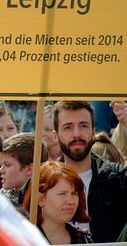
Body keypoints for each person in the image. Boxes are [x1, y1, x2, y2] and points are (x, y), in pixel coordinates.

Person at [52, 101, 127, 242]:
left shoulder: (117, 178)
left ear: (93, 132)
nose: (77, 134)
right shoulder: (42, 183)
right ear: (55, 135)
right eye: (68, 127)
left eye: (83, 126)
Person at [22, 162, 92, 244]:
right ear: (40, 199)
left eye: (74, 194)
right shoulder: (20, 239)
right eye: (62, 194)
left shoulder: (84, 242)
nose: (70, 201)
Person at [0, 133, 47, 208]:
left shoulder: (46, 200)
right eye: (2, 165)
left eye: (7, 165)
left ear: (29, 169)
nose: (0, 170)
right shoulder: (0, 197)